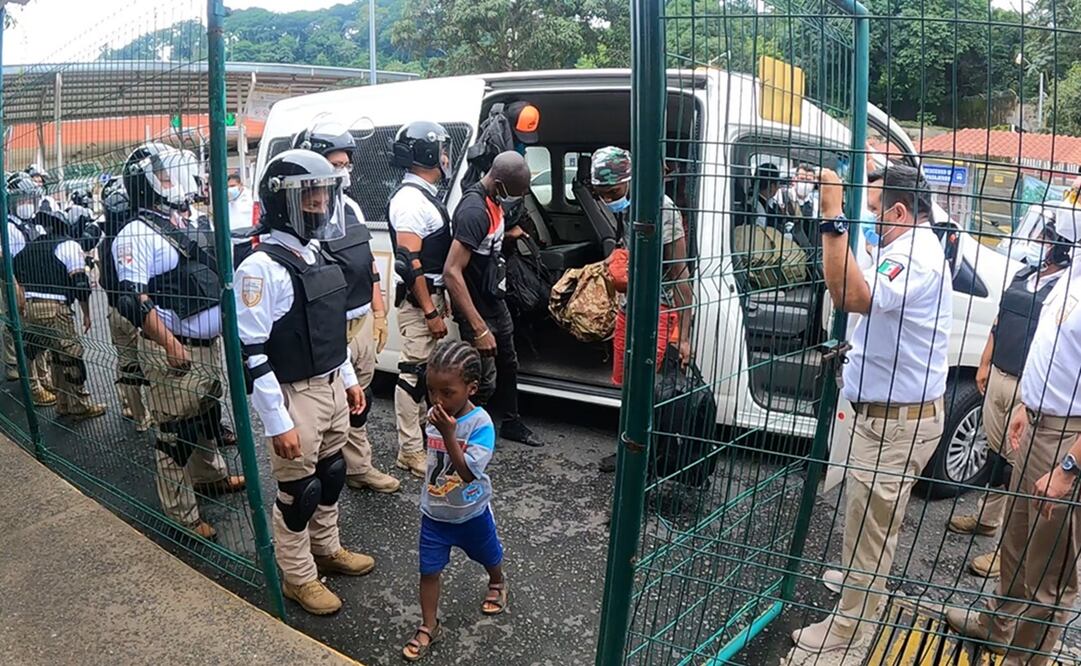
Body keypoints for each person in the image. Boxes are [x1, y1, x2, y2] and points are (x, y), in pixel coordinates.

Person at [791, 164, 952, 653]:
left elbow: (851, 294)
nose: (872, 221)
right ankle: (866, 588)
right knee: (872, 524)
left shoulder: (914, 256)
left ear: (901, 212)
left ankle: (847, 633)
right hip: (888, 418)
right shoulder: (904, 246)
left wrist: (833, 215)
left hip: (895, 427)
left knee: (869, 529)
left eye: (877, 212)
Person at [237, 149, 374, 616]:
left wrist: (349, 379)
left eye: (323, 191)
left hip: (332, 382)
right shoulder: (261, 268)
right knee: (299, 493)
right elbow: (250, 352)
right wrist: (278, 422)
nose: (319, 202)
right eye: (308, 193)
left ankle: (327, 549)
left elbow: (328, 328)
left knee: (332, 474)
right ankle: (297, 577)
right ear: (282, 202)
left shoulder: (315, 253)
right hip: (294, 393)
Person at [946, 205, 1081, 665]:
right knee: (1017, 543)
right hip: (1040, 417)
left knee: (1051, 572)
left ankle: (1024, 659)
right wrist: (1028, 403)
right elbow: (1055, 348)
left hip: (1071, 437)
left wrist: (1070, 466)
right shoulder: (1072, 269)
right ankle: (996, 627)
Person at [112, 142, 245, 540]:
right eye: (166, 175)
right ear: (147, 184)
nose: (176, 181)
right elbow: (130, 299)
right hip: (175, 349)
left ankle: (209, 476)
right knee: (175, 436)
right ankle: (181, 515)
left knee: (203, 417)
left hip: (205, 346)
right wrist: (171, 346)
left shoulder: (185, 221)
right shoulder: (135, 234)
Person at [292, 123, 398, 493]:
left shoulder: (350, 207)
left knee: (359, 400)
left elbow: (367, 265)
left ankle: (359, 467)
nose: (343, 171)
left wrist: (380, 312)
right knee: (324, 410)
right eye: (334, 163)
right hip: (328, 328)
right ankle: (321, 476)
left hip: (361, 322)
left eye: (346, 163)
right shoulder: (301, 219)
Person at [401, 340, 506, 661]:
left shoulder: (481, 425)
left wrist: (449, 434)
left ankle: (498, 582)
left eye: (448, 392)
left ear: (471, 388)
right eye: (432, 391)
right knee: (428, 571)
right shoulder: (437, 414)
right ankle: (429, 625)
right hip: (434, 513)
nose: (437, 400)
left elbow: (468, 473)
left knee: (488, 554)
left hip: (471, 511)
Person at [590, 146, 692, 471]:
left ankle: (650, 464)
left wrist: (683, 336)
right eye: (602, 194)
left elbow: (681, 276)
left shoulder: (663, 211)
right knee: (630, 388)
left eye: (614, 192)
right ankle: (629, 451)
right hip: (628, 310)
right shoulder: (627, 207)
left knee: (652, 391)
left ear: (631, 181)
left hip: (658, 312)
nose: (608, 199)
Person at [443, 151, 542, 447]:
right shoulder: (474, 210)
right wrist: (478, 327)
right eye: (517, 191)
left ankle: (511, 422)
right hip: (476, 307)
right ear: (498, 182)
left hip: (494, 299)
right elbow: (452, 272)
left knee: (508, 362)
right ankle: (471, 436)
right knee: (480, 376)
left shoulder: (494, 201)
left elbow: (484, 249)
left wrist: (508, 237)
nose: (520, 196)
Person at [388, 121, 455, 478]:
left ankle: (424, 440)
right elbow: (408, 264)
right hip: (419, 302)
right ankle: (409, 450)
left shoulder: (423, 194)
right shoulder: (411, 201)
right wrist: (429, 310)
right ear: (428, 153)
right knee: (413, 373)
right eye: (441, 148)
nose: (445, 155)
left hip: (431, 296)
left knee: (427, 371)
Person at [13, 206, 106, 421]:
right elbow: (81, 284)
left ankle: (63, 403)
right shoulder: (69, 245)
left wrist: (21, 304)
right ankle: (79, 405)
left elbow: (14, 273)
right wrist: (86, 313)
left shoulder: (32, 245)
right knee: (72, 356)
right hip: (55, 308)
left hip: (30, 307)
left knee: (55, 354)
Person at [99, 178, 152, 432]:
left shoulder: (104, 241)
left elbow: (102, 279)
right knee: (151, 364)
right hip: (135, 311)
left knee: (127, 364)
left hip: (113, 310)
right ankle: (152, 414)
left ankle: (133, 410)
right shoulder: (134, 238)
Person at [5, 172, 55, 403]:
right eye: (22, 200)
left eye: (29, 200)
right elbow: (10, 268)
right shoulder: (9, 230)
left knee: (41, 339)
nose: (27, 205)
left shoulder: (34, 225)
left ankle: (44, 378)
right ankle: (33, 387)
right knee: (28, 340)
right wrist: (19, 293)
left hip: (38, 287)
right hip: (22, 288)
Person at [227, 172, 255, 268]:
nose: (230, 189)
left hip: (250, 243)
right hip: (235, 244)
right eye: (228, 187)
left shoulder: (250, 198)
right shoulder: (228, 200)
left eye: (233, 186)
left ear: (240, 185)